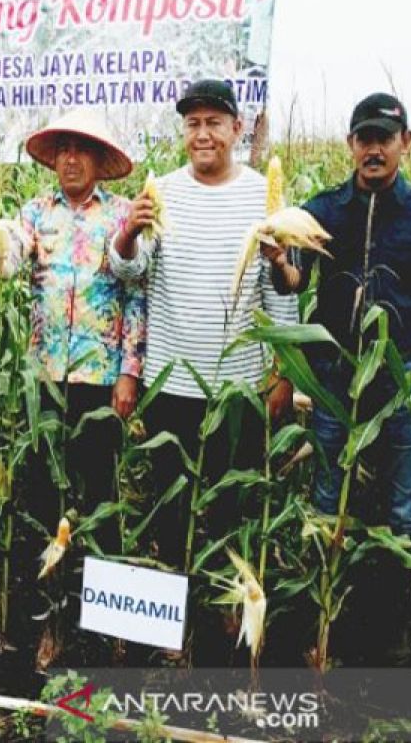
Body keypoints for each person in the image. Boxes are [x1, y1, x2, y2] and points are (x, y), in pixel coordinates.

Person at [107, 79, 298, 569]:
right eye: (193, 124)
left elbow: (280, 292)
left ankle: (223, 612)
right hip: (172, 383)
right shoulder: (162, 191)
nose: (203, 134)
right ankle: (176, 622)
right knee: (172, 505)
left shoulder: (263, 196)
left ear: (236, 129)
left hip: (240, 388)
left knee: (231, 509)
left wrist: (285, 375)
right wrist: (129, 231)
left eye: (214, 122)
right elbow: (131, 271)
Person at [286, 93, 411, 542]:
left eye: (384, 138)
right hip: (333, 379)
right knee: (327, 499)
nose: (374, 150)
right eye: (365, 139)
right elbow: (292, 281)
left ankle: (405, 599)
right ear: (350, 143)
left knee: (404, 505)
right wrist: (275, 257)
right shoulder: (322, 209)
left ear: (407, 141)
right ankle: (322, 592)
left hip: (404, 378)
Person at [0, 108, 145, 548]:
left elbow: (136, 295)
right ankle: (46, 588)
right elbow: (9, 264)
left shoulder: (122, 216)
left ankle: (97, 587)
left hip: (100, 376)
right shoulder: (35, 212)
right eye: (63, 150)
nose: (70, 159)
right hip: (44, 375)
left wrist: (129, 373)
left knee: (99, 487)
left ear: (99, 160)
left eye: (81, 150)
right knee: (42, 485)